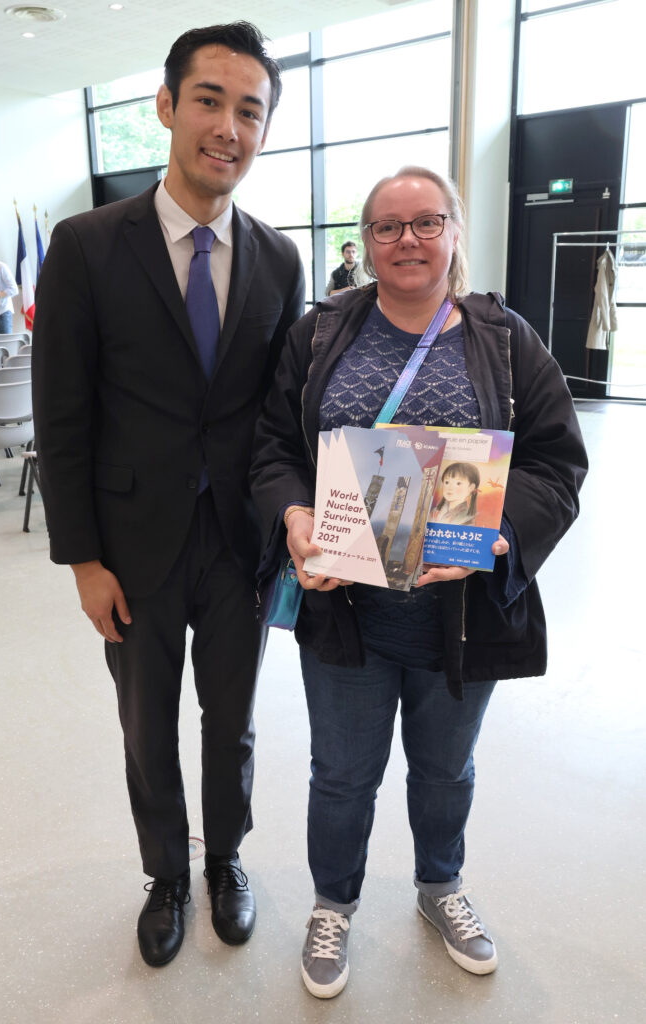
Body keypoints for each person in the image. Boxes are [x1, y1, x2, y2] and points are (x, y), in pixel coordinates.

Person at [250, 166, 587, 998]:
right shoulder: (321, 332)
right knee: (340, 773)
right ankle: (333, 903)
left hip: (458, 613)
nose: (407, 240)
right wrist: (294, 515)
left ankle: (439, 886)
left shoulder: (504, 340)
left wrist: (499, 539)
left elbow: (557, 463)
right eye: (387, 227)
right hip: (345, 611)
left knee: (445, 770)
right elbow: (272, 449)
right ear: (363, 242)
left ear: (453, 232)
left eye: (425, 223)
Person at [32, 21, 305, 969]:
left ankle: (225, 859)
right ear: (165, 107)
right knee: (146, 725)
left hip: (237, 545)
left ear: (262, 130)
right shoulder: (86, 246)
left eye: (250, 110)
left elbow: (282, 417)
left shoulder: (279, 261)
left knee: (231, 723)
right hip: (130, 545)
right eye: (209, 101)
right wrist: (81, 561)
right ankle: (163, 872)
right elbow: (60, 414)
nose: (228, 126)